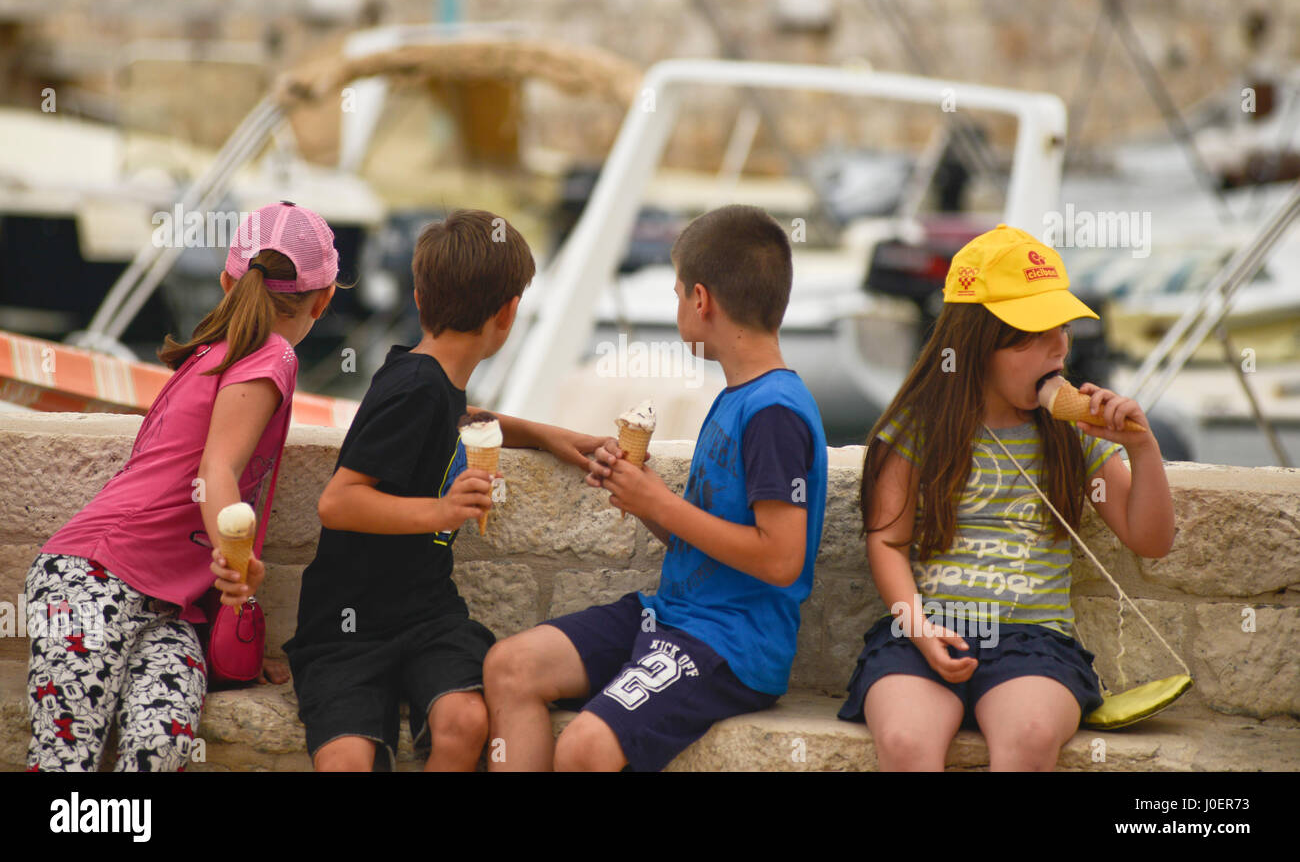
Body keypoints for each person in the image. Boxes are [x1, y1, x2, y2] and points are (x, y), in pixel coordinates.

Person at [483, 204, 828, 771]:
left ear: (701, 299)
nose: (676, 309)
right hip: (671, 615)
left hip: (730, 645)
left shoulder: (773, 412)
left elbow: (782, 558)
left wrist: (659, 499)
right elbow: (706, 540)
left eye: (675, 295)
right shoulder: (736, 397)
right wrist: (640, 499)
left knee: (584, 748)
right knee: (509, 666)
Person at [840, 224, 1176, 771]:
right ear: (977, 342)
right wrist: (919, 627)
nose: (1060, 346)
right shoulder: (916, 431)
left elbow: (1151, 539)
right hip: (929, 626)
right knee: (904, 741)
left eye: (1062, 328)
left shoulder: (1075, 433)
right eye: (1035, 333)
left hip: (1033, 640)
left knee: (1030, 735)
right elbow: (888, 542)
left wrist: (1141, 447)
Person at [283, 209, 604, 772]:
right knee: (347, 762)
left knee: (466, 720)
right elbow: (338, 502)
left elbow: (461, 416)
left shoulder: (431, 378)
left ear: (419, 296)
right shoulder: (416, 388)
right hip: (347, 626)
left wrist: (545, 434)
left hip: (425, 615)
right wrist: (444, 510)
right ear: (508, 314)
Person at [27, 200, 341, 771]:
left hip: (171, 610)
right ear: (325, 298)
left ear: (228, 279)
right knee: (64, 762)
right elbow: (216, 470)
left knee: (159, 746)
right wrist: (234, 562)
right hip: (96, 578)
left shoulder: (215, 354)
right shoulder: (271, 355)